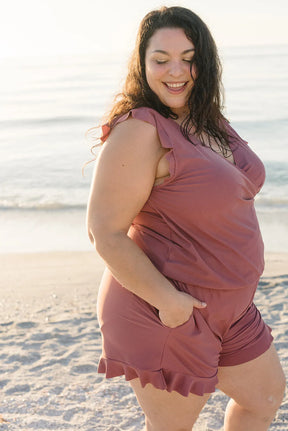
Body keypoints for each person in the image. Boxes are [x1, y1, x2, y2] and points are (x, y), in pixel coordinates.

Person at [86, 6, 285, 431]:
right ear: (142, 64)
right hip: (168, 308)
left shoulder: (206, 119)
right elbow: (104, 232)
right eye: (160, 59)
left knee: (265, 398)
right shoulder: (141, 130)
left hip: (232, 308)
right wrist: (169, 301)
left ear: (205, 62)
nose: (175, 71)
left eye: (188, 58)